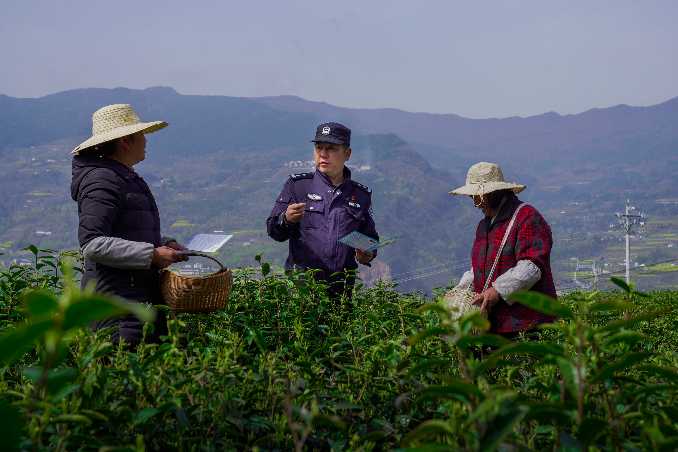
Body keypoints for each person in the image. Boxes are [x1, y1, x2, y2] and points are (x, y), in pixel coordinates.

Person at [70, 104, 188, 346]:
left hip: (134, 304)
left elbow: (125, 231)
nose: (146, 139)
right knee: (125, 368)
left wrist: (164, 244)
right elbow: (93, 244)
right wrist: (153, 254)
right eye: (141, 133)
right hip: (118, 311)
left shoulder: (121, 177)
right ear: (125, 141)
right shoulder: (103, 180)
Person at [266, 122, 379, 300]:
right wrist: (286, 219)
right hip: (301, 295)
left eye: (331, 148)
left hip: (341, 297)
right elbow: (274, 231)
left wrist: (368, 255)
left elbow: (370, 240)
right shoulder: (298, 186)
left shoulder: (360, 195)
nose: (323, 154)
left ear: (347, 154)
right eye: (319, 147)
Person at [450, 162, 557, 339]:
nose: (475, 203)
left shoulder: (527, 217)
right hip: (493, 326)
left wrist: (497, 291)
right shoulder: (484, 225)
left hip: (525, 324)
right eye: (472, 197)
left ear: (493, 193)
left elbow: (533, 265)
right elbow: (479, 269)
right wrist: (460, 291)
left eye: (478, 197)